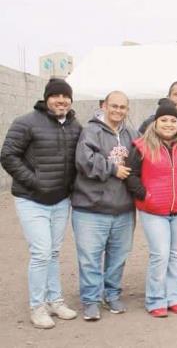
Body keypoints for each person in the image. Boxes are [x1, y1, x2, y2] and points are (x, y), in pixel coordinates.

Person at [1, 78, 82, 329]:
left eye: (65, 96)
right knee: (41, 252)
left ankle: (54, 301)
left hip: (60, 200)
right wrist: (34, 181)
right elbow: (8, 155)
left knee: (54, 253)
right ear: (47, 98)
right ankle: (37, 306)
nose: (61, 100)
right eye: (56, 96)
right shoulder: (26, 122)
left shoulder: (74, 125)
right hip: (31, 200)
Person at [126, 99, 177, 317]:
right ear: (155, 122)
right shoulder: (141, 146)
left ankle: (173, 297)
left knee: (176, 254)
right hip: (153, 210)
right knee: (160, 254)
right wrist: (145, 196)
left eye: (173, 120)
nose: (169, 124)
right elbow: (131, 176)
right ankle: (156, 299)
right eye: (164, 120)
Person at [71, 91, 138, 321]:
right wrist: (112, 169)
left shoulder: (131, 133)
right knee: (90, 258)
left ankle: (112, 294)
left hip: (123, 208)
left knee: (118, 257)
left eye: (123, 107)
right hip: (91, 208)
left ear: (127, 110)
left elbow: (142, 158)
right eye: (114, 106)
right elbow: (84, 160)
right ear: (104, 106)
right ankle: (90, 300)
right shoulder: (91, 130)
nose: (118, 111)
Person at [139, 81, 177, 294]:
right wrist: (144, 194)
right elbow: (138, 161)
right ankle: (157, 289)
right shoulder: (149, 123)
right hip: (156, 199)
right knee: (161, 249)